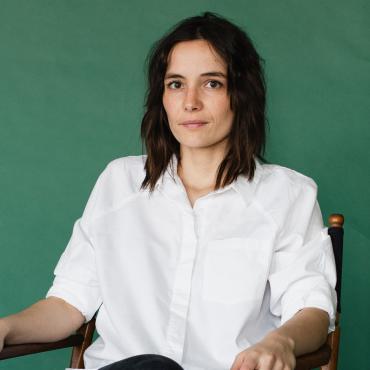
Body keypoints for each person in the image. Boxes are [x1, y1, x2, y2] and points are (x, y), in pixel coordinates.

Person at [0, 12, 336, 370]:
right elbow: (68, 305)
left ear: (242, 94)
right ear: (162, 96)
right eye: (176, 84)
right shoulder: (120, 182)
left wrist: (280, 342)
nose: (190, 102)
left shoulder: (287, 196)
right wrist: (6, 327)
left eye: (211, 84)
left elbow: (312, 309)